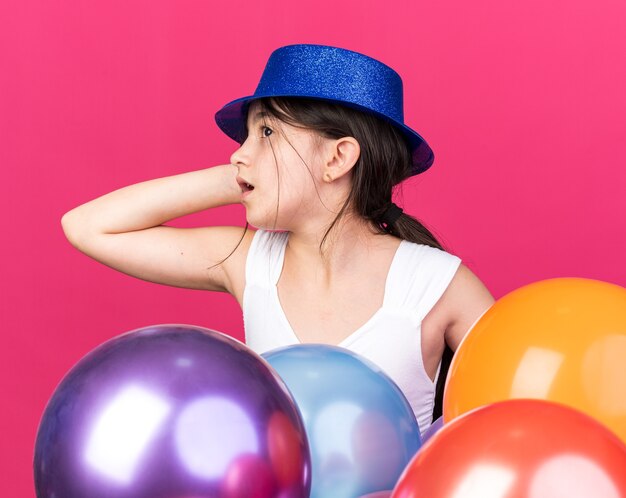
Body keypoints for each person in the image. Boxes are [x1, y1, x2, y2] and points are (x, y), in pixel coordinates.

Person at [61, 43, 495, 435]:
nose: (238, 153)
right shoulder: (247, 261)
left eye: (266, 133)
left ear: (338, 157)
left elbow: (517, 418)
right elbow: (88, 226)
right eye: (246, 135)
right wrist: (240, 178)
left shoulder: (439, 285)